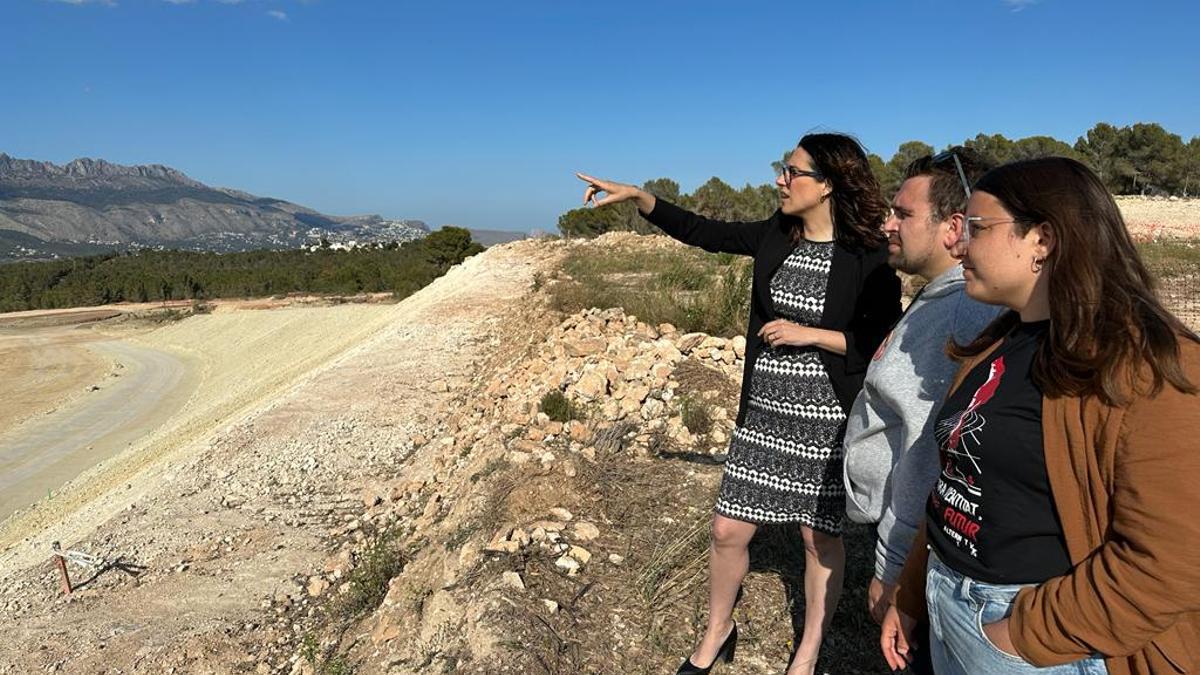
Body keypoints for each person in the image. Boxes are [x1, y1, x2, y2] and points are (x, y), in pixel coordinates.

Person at [578, 132, 901, 675]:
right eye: (783, 168)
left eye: (792, 172)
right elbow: (705, 232)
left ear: (827, 187)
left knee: (818, 538)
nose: (780, 179)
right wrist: (640, 198)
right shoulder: (778, 234)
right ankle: (718, 630)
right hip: (764, 414)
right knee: (728, 529)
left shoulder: (867, 256)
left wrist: (812, 334)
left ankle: (809, 650)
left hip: (826, 420)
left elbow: (882, 341)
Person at [879, 157, 1200, 675]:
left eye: (979, 228)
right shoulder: (1000, 343)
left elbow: (1171, 560)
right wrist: (914, 593)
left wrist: (1018, 635)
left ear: (1042, 240)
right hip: (950, 606)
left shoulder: (1150, 369)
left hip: (1035, 641)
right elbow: (956, 483)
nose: (960, 244)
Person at [842, 147, 1000, 628]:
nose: (887, 224)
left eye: (903, 214)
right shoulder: (940, 298)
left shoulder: (962, 314)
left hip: (921, 556)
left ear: (953, 228)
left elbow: (930, 451)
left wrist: (894, 568)